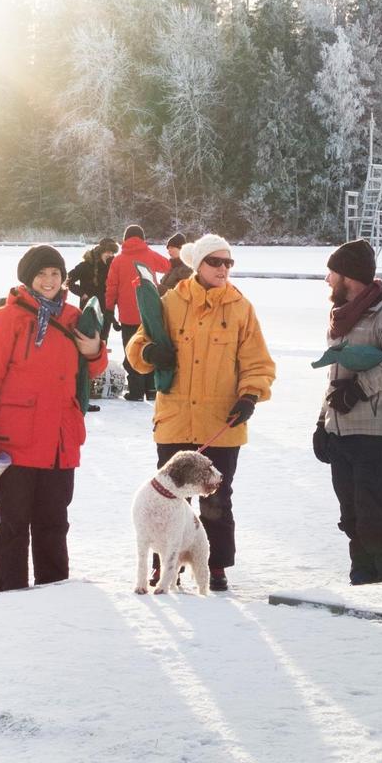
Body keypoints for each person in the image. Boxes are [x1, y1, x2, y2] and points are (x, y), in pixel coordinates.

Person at [0, 245, 108, 592]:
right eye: (41, 274)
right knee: (13, 526)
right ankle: (11, 601)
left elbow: (92, 371)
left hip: (60, 442)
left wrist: (94, 350)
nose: (49, 281)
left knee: (54, 524)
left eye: (55, 274)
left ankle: (54, 597)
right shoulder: (7, 319)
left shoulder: (72, 317)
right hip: (15, 444)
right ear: (27, 279)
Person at [126, 234, 275, 592]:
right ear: (199, 264)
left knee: (218, 498)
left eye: (229, 263)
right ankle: (168, 568)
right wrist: (149, 355)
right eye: (216, 262)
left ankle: (216, 564)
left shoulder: (241, 307)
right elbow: (137, 345)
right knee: (171, 500)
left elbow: (257, 362)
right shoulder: (171, 302)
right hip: (175, 419)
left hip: (221, 421)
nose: (223, 269)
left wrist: (249, 396)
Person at [313, 239, 382, 585]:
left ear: (349, 276)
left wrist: (360, 389)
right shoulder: (342, 318)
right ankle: (365, 579)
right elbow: (336, 374)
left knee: (375, 515)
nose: (327, 280)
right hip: (342, 431)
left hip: (378, 433)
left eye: (332, 272)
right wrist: (322, 423)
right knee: (352, 516)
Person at [105, 225, 171, 401]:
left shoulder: (118, 260)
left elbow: (111, 287)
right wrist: (147, 251)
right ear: (142, 238)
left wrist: (109, 309)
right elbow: (167, 266)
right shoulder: (149, 255)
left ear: (125, 239)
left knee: (131, 350)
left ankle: (135, 391)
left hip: (127, 314)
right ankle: (151, 390)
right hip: (150, 311)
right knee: (150, 348)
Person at [68, 237, 119, 342]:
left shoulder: (113, 267)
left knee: (103, 340)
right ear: (101, 251)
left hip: (107, 310)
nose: (110, 255)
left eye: (112, 253)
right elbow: (68, 280)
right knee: (87, 339)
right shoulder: (86, 265)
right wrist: (82, 294)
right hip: (89, 309)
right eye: (108, 252)